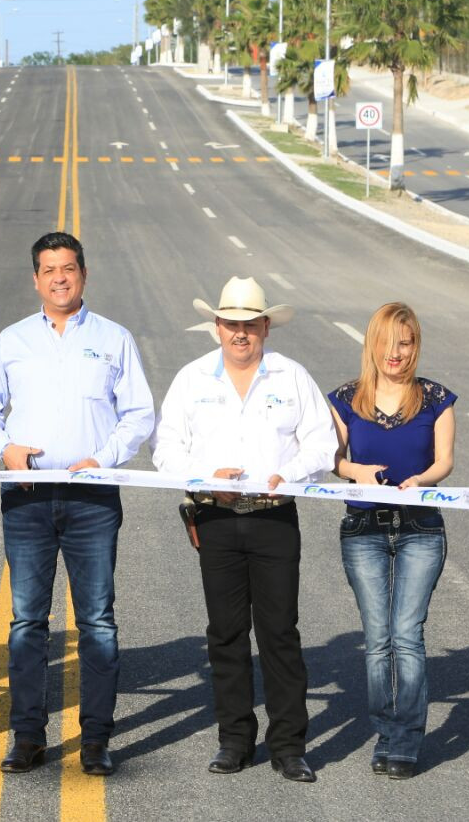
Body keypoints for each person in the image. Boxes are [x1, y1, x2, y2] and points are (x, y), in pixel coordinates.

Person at [0, 231, 154, 776]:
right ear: (35, 279)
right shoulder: (12, 340)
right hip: (26, 499)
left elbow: (139, 413)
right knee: (27, 622)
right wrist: (4, 448)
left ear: (84, 274)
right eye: (48, 270)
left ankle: (96, 739)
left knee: (97, 621)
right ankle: (27, 736)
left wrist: (106, 456)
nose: (59, 278)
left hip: (91, 499)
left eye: (68, 268)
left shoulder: (115, 338)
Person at [152, 276, 336, 783]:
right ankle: (234, 740)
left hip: (274, 517)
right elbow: (166, 449)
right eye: (231, 324)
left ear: (265, 328)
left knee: (279, 633)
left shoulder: (292, 376)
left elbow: (321, 444)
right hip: (214, 517)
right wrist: (203, 479)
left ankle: (289, 746)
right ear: (216, 328)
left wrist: (290, 475)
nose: (240, 334)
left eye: (250, 325)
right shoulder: (191, 380)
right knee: (226, 634)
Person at [326, 302, 456, 781]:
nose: (394, 353)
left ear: (415, 345)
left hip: (421, 528)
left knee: (407, 635)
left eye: (404, 342)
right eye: (386, 343)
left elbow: (445, 461)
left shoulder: (437, 398)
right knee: (378, 640)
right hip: (364, 529)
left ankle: (406, 739)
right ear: (372, 345)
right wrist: (353, 470)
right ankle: (385, 730)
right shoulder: (345, 399)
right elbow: (333, 458)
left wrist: (424, 478)